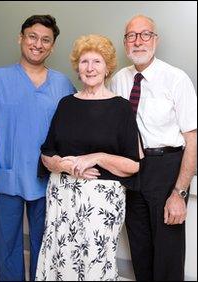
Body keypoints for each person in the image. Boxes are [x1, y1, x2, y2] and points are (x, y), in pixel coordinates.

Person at [0, 14, 76, 281]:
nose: (37, 44)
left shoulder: (63, 84)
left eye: (45, 40)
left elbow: (75, 131)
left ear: (52, 46)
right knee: (6, 245)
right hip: (5, 177)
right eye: (32, 37)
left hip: (48, 178)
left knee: (46, 245)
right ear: (21, 38)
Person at [35, 34, 143, 281]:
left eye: (97, 61)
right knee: (59, 259)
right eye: (84, 62)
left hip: (102, 201)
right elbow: (46, 152)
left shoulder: (121, 108)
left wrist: (96, 157)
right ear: (77, 67)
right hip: (62, 195)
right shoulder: (66, 104)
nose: (90, 68)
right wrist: (62, 164)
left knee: (95, 263)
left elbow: (133, 164)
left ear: (107, 68)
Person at [109, 14, 197, 281]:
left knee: (167, 252)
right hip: (131, 170)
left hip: (166, 168)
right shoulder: (117, 80)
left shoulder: (176, 79)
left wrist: (179, 193)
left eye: (145, 34)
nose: (138, 41)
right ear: (125, 43)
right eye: (131, 36)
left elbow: (192, 140)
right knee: (140, 247)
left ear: (155, 40)